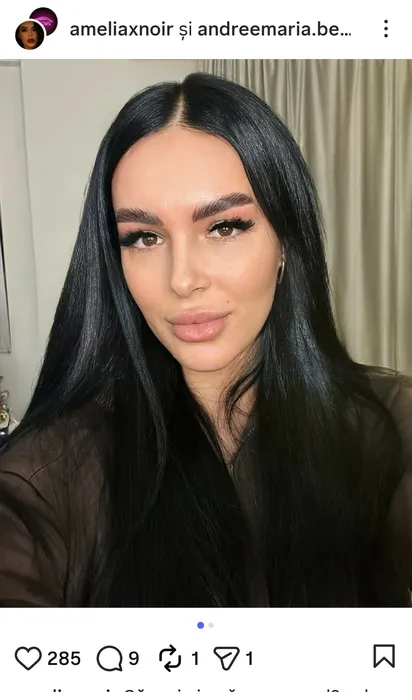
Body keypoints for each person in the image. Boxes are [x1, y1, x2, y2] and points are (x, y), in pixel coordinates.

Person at [0, 72, 411, 607]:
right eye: (144, 237)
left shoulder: (389, 426)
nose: (182, 279)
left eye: (224, 227)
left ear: (287, 242)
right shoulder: (46, 477)